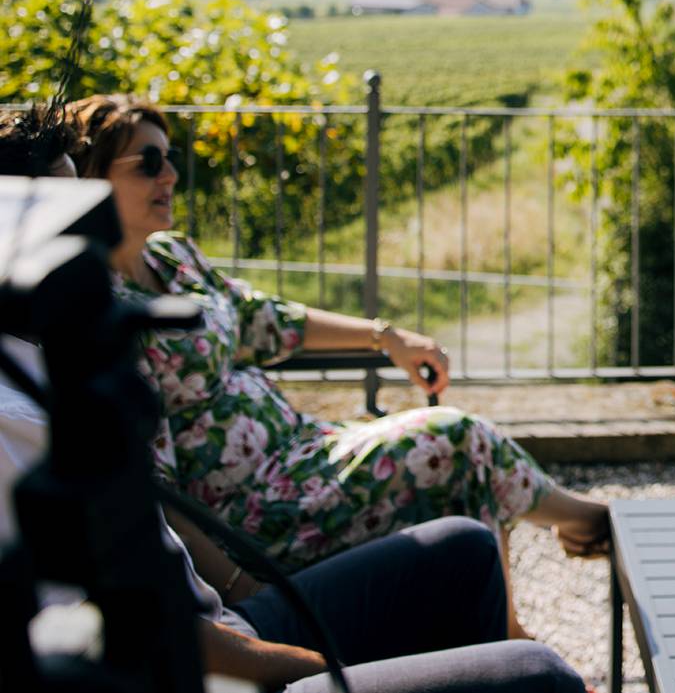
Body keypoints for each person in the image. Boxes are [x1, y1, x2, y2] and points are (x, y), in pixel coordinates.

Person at [0, 106, 588, 693]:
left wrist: (384, 336)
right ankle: (583, 531)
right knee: (539, 673)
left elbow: (265, 318)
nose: (168, 176)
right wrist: (306, 661)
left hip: (259, 549)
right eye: (146, 163)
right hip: (230, 625)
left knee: (467, 548)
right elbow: (130, 628)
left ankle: (569, 546)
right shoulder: (54, 384)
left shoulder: (125, 297)